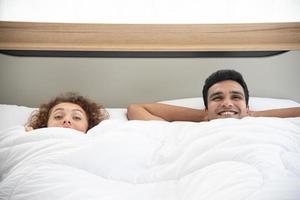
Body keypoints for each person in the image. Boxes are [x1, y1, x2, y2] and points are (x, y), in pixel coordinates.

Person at [127, 69, 300, 121]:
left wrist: (248, 114)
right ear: (206, 107)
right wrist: (206, 116)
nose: (227, 103)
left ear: (247, 106)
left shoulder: (261, 123)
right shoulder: (189, 128)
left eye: (236, 97)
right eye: (217, 98)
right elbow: (136, 109)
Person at [25, 92, 108, 133]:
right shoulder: (30, 135)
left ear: (89, 126)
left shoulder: (97, 141)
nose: (67, 120)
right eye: (58, 116)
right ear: (45, 124)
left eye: (76, 117)